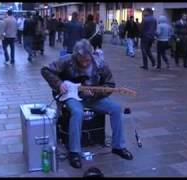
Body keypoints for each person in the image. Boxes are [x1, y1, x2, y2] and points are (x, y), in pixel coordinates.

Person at [41, 39, 133, 169]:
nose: (84, 63)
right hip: (72, 96)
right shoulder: (67, 60)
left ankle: (118, 146)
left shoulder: (100, 63)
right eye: (81, 60)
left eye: (87, 60)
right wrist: (59, 84)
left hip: (93, 97)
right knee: (77, 112)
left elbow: (110, 84)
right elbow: (45, 70)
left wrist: (95, 93)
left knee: (116, 109)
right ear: (76, 56)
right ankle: (74, 152)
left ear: (92, 55)